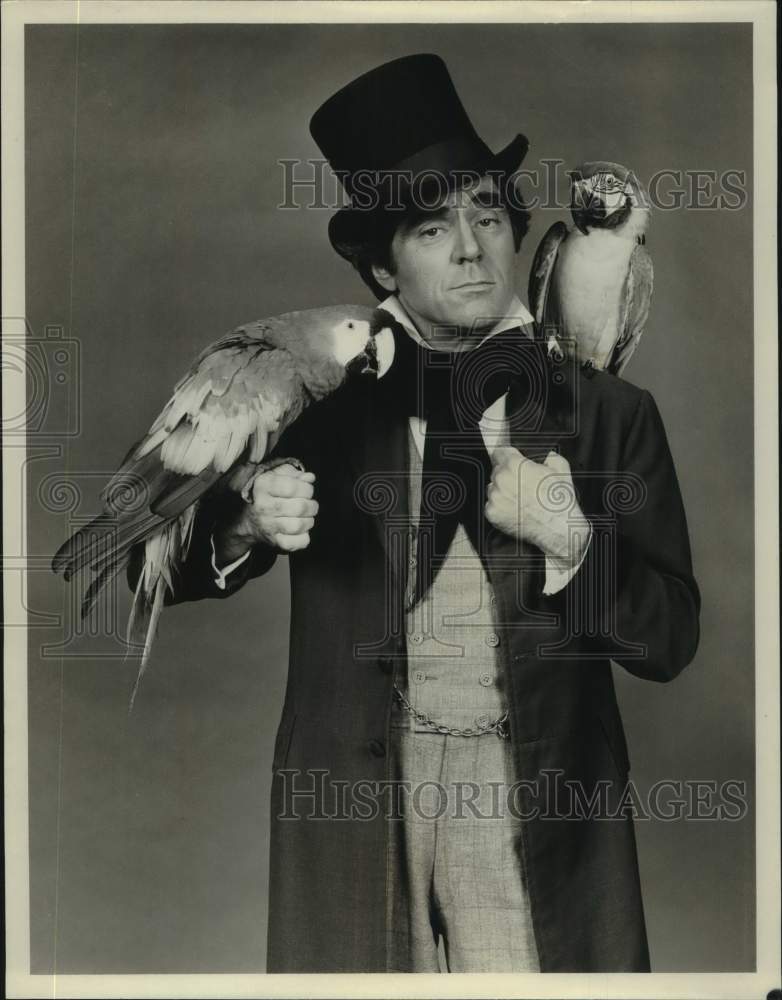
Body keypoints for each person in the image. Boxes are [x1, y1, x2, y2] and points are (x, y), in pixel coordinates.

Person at [129, 53, 700, 973]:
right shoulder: (316, 397)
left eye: (487, 216)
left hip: (537, 805)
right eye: (433, 229)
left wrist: (569, 534)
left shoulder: (608, 413)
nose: (472, 248)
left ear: (519, 229)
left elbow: (672, 638)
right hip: (360, 797)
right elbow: (163, 565)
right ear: (381, 266)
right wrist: (244, 522)